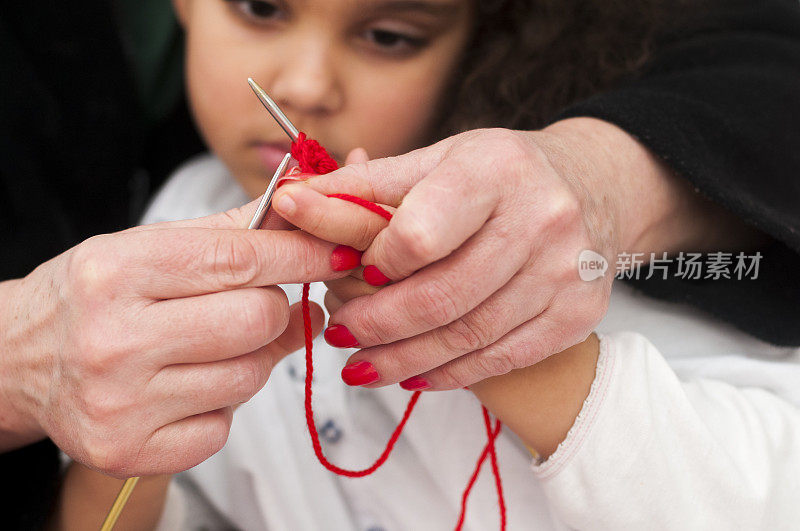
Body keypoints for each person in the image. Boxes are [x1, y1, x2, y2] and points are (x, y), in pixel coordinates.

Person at [3, 0, 800, 527]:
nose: (305, 84)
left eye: (388, 37)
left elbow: (759, 494)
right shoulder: (174, 224)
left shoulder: (557, 244)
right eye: (261, 7)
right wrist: (132, 437)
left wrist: (483, 324)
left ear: (477, 39)